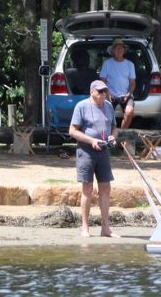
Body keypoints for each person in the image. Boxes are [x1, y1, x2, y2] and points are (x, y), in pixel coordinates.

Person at [68, 80, 120, 239]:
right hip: (86, 151)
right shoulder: (81, 106)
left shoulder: (109, 106)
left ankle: (106, 228)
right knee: (88, 189)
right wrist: (91, 140)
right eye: (99, 92)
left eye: (104, 91)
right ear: (92, 92)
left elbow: (114, 128)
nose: (102, 94)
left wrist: (113, 137)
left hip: (104, 151)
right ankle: (85, 227)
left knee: (105, 188)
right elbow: (72, 131)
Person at [100, 38, 136, 129]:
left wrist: (127, 95)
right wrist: (107, 93)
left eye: (121, 48)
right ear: (112, 50)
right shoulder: (107, 63)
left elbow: (132, 83)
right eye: (116, 48)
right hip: (110, 95)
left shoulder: (130, 64)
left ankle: (121, 134)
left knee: (129, 112)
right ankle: (110, 134)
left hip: (126, 95)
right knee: (106, 116)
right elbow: (102, 81)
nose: (119, 50)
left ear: (124, 50)